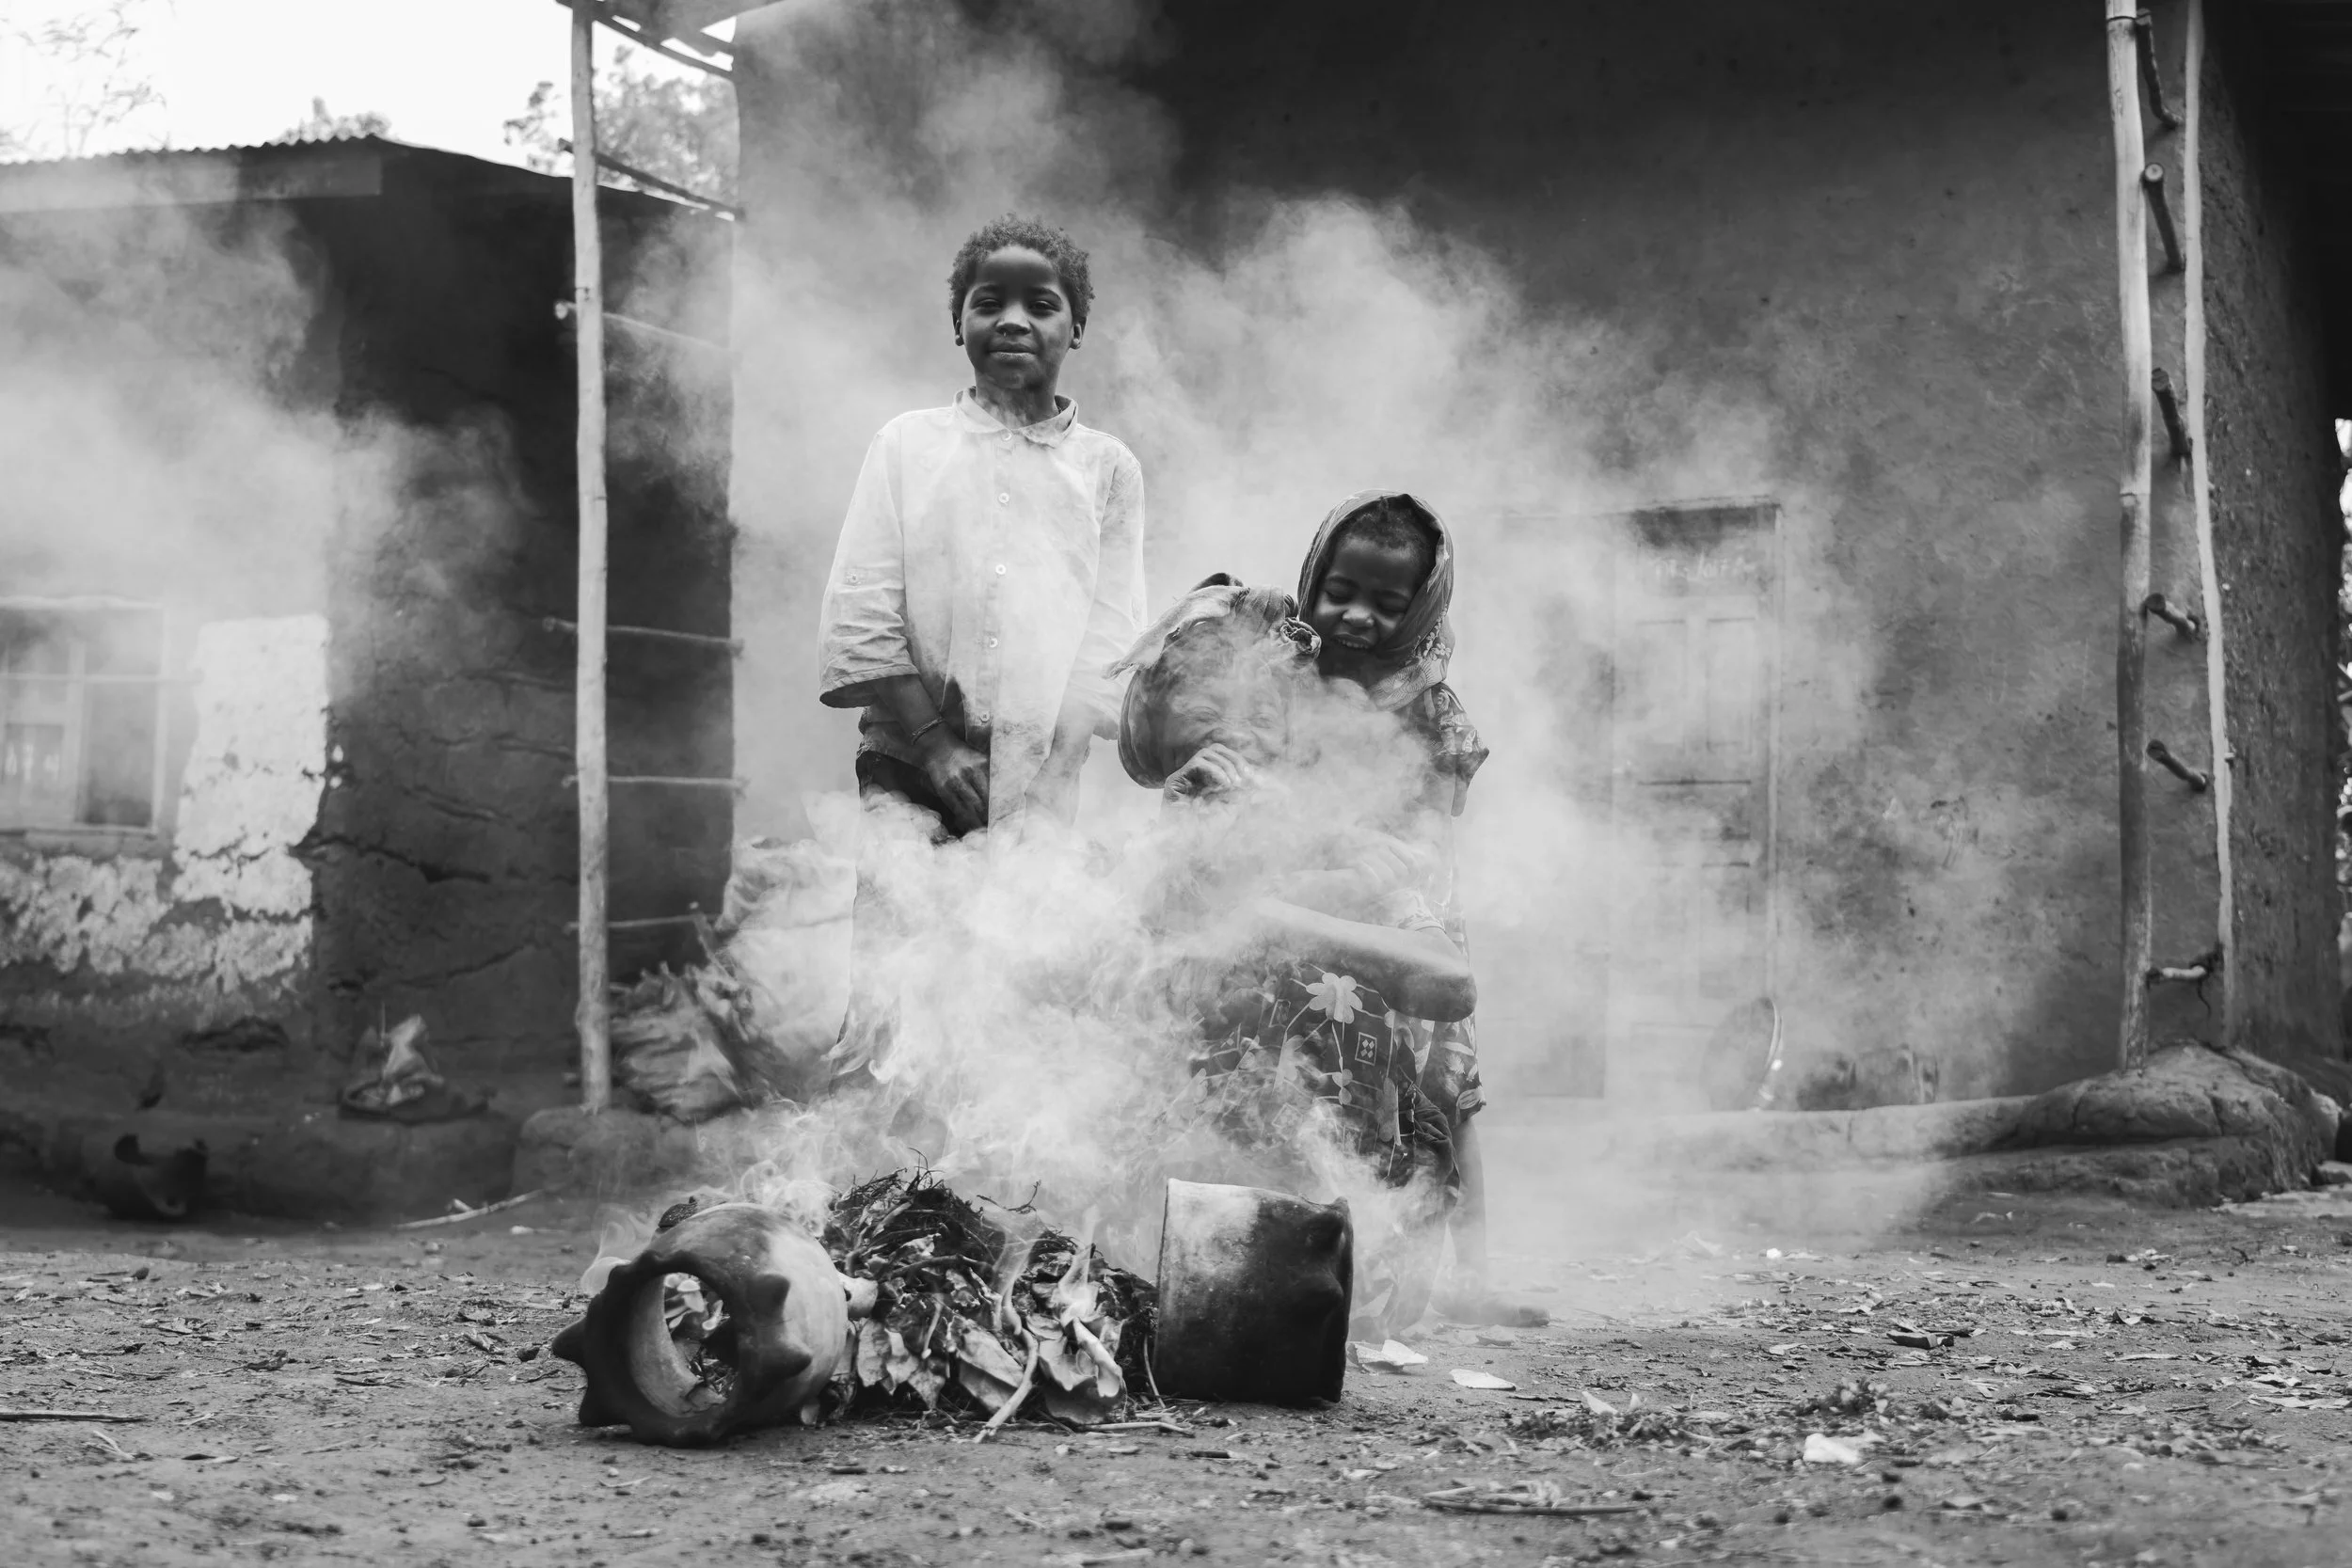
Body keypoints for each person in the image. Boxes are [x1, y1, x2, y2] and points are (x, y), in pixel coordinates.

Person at [1113, 579, 1475, 1330]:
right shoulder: (1145, 863)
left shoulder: (1346, 843)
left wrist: (1281, 917)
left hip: (1354, 1235)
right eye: (1203, 710)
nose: (1234, 732)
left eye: (1259, 704)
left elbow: (1451, 982)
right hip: (1183, 1233)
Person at [817, 214, 1147, 837]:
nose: (1013, 320)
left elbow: (1109, 638)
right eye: (989, 302)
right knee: (908, 931)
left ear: (1076, 328)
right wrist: (936, 743)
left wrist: (1058, 771)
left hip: (1041, 782)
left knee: (1023, 934)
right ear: (958, 323)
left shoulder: (1108, 470)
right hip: (907, 762)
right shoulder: (905, 447)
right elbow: (863, 616)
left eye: (1042, 305)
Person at [1295, 490, 1537, 1326]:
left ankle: (1473, 1275)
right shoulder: (1280, 678)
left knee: (1451, 1094)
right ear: (1312, 578)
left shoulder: (1432, 705)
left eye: (1386, 602)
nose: (1357, 616)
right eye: (1340, 591)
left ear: (1421, 608)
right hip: (1322, 912)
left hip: (1413, 920)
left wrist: (1384, 856)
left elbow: (1434, 830)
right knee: (1335, 1087)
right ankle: (1343, 1270)